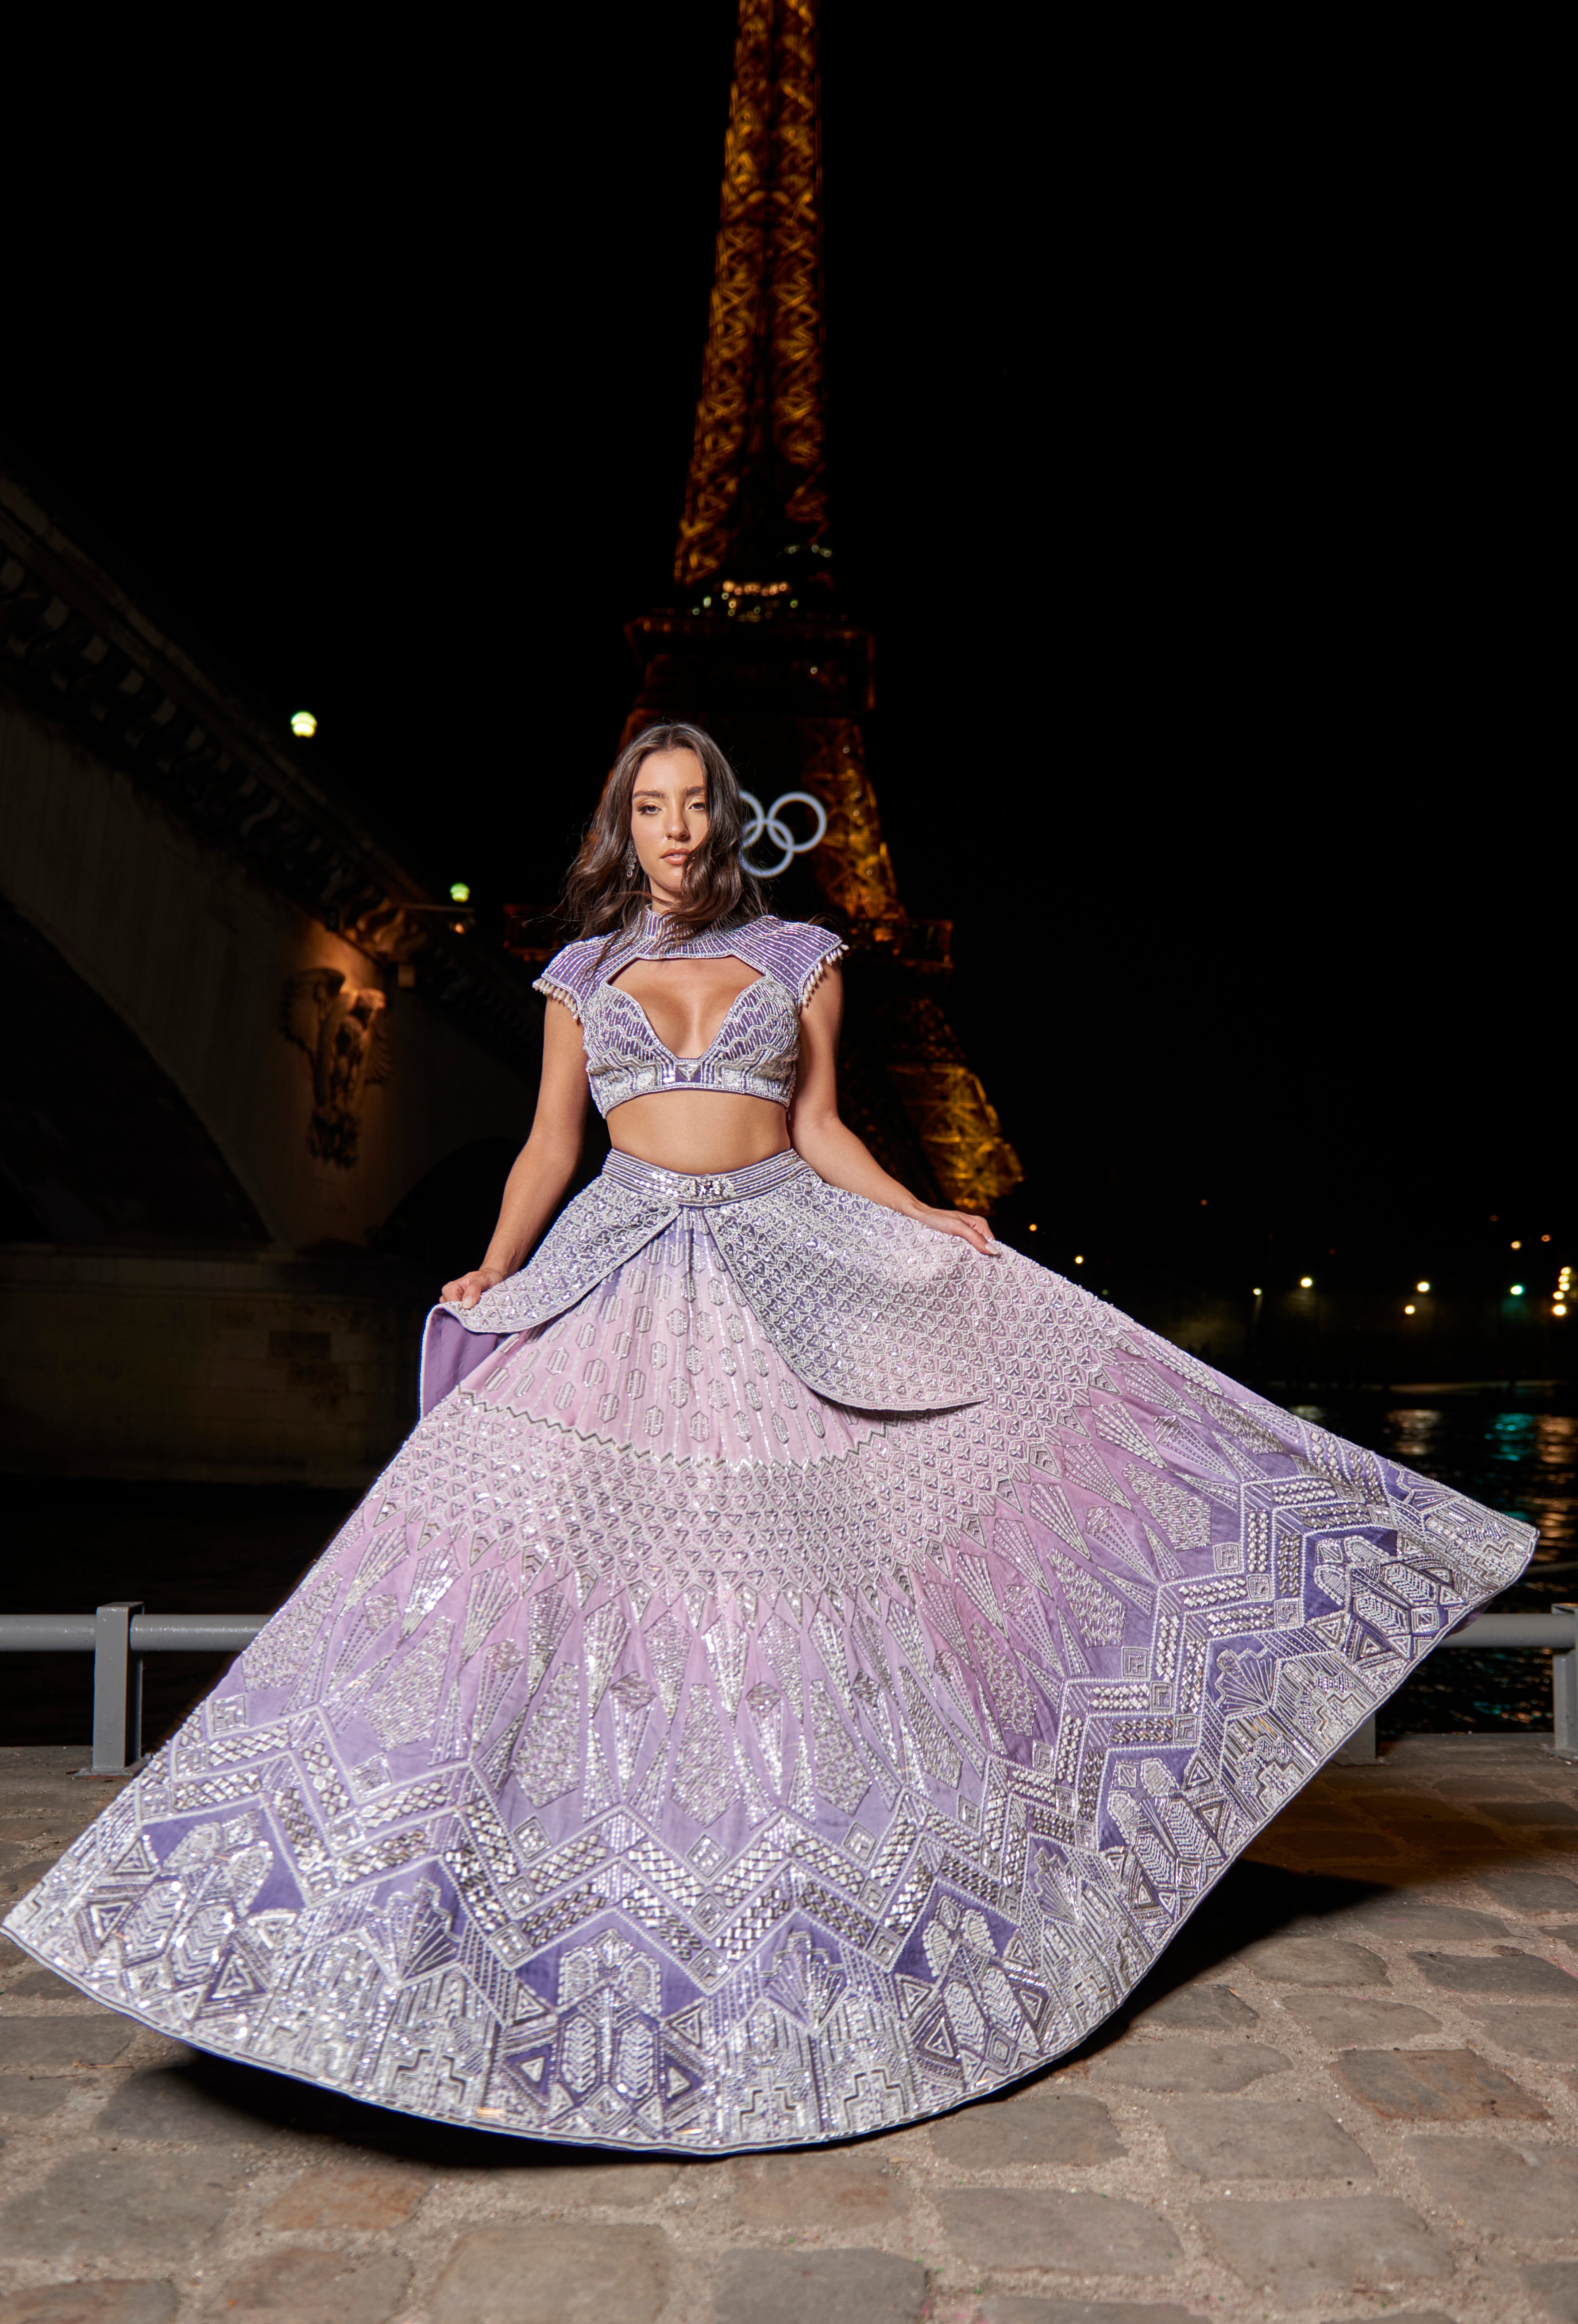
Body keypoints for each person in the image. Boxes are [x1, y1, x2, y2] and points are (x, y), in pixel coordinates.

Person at [4, 723, 1532, 2153]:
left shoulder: (799, 954)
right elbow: (552, 1143)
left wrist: (926, 1212)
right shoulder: (577, 970)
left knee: (795, 1586)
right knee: (516, 1567)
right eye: (648, 809)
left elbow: (818, 1132)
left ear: (728, 825)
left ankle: (794, 1906)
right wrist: (491, 1261)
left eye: (695, 808)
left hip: (781, 1263)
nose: (675, 832)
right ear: (626, 828)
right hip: (617, 1272)